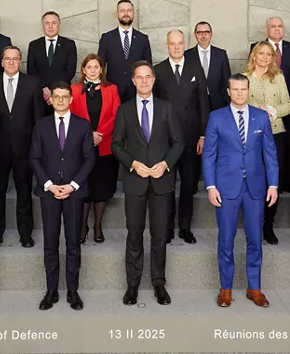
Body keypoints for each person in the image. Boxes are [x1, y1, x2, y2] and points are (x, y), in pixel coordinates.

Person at [111, 61, 184, 306]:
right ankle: (132, 284)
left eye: (148, 77)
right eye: (139, 77)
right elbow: (116, 145)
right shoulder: (124, 110)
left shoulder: (167, 108)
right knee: (134, 234)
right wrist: (133, 164)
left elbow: (178, 143)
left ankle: (158, 284)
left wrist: (165, 164)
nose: (144, 81)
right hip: (135, 182)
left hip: (162, 181)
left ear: (153, 80)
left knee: (160, 236)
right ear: (133, 81)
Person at [202, 74, 278, 308]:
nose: (239, 93)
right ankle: (226, 289)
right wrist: (211, 185)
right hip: (226, 188)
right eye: (235, 89)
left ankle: (254, 288)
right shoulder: (216, 117)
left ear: (248, 90)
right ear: (228, 91)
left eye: (243, 89)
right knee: (226, 239)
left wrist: (273, 184)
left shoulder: (261, 117)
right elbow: (209, 154)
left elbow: (269, 152)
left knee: (255, 239)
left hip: (255, 188)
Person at [29, 82, 95, 311]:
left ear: (71, 99)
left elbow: (89, 159)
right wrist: (48, 185)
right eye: (56, 96)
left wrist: (73, 185)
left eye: (64, 96)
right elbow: (35, 158)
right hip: (49, 193)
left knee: (73, 243)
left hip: (74, 193)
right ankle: (51, 290)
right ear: (51, 99)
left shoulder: (83, 125)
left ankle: (73, 291)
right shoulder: (41, 125)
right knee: (50, 242)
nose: (59, 100)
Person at [0, 46, 46, 248]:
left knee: (24, 192)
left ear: (20, 61)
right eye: (7, 59)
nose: (11, 62)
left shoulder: (33, 83)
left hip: (24, 149)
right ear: (1, 62)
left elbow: (38, 119)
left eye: (15, 59)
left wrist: (37, 149)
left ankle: (25, 234)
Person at [152, 30, 210, 244]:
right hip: (165, 139)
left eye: (179, 44)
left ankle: (184, 227)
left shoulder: (196, 68)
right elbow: (155, 106)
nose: (176, 47)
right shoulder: (158, 70)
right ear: (166, 45)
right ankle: (167, 228)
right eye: (172, 44)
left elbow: (204, 103)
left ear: (184, 44)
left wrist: (203, 134)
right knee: (166, 184)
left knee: (188, 184)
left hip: (191, 137)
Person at [243, 41, 290, 245]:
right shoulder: (244, 78)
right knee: (254, 180)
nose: (264, 57)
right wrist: (257, 112)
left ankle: (268, 225)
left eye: (268, 54)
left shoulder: (278, 77)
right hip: (251, 136)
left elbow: (288, 105)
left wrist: (272, 110)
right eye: (261, 53)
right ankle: (253, 223)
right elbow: (239, 104)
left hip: (275, 133)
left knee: (274, 180)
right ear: (254, 56)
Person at [70, 54, 121, 244]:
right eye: (89, 67)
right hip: (82, 146)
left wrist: (99, 134)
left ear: (101, 69)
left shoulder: (112, 89)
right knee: (84, 187)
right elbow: (71, 115)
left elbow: (116, 115)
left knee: (102, 187)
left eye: (96, 67)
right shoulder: (74, 90)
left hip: (104, 145)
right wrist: (88, 134)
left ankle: (98, 225)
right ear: (83, 70)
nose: (93, 70)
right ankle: (83, 226)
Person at [254, 17, 290, 209]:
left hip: (284, 105)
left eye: (280, 26)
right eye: (273, 26)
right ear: (267, 29)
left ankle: (284, 181)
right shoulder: (257, 47)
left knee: (286, 146)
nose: (276, 29)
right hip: (260, 115)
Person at [97, 0, 152, 101]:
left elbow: (148, 66)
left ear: (133, 13)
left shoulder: (143, 39)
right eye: (122, 11)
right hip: (113, 92)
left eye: (129, 10)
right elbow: (100, 66)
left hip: (137, 90)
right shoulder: (107, 38)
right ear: (116, 14)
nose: (126, 14)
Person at [26, 11, 78, 105]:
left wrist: (52, 89)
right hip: (40, 95)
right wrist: (44, 90)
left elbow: (70, 71)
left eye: (54, 23)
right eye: (47, 23)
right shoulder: (34, 45)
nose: (50, 26)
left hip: (62, 95)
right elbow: (31, 71)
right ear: (43, 25)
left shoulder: (69, 44)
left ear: (59, 25)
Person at [186, 21, 231, 111]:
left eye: (206, 32)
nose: (203, 36)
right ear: (195, 35)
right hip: (195, 104)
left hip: (218, 104)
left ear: (211, 34)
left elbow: (227, 81)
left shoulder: (221, 54)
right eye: (199, 33)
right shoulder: (187, 55)